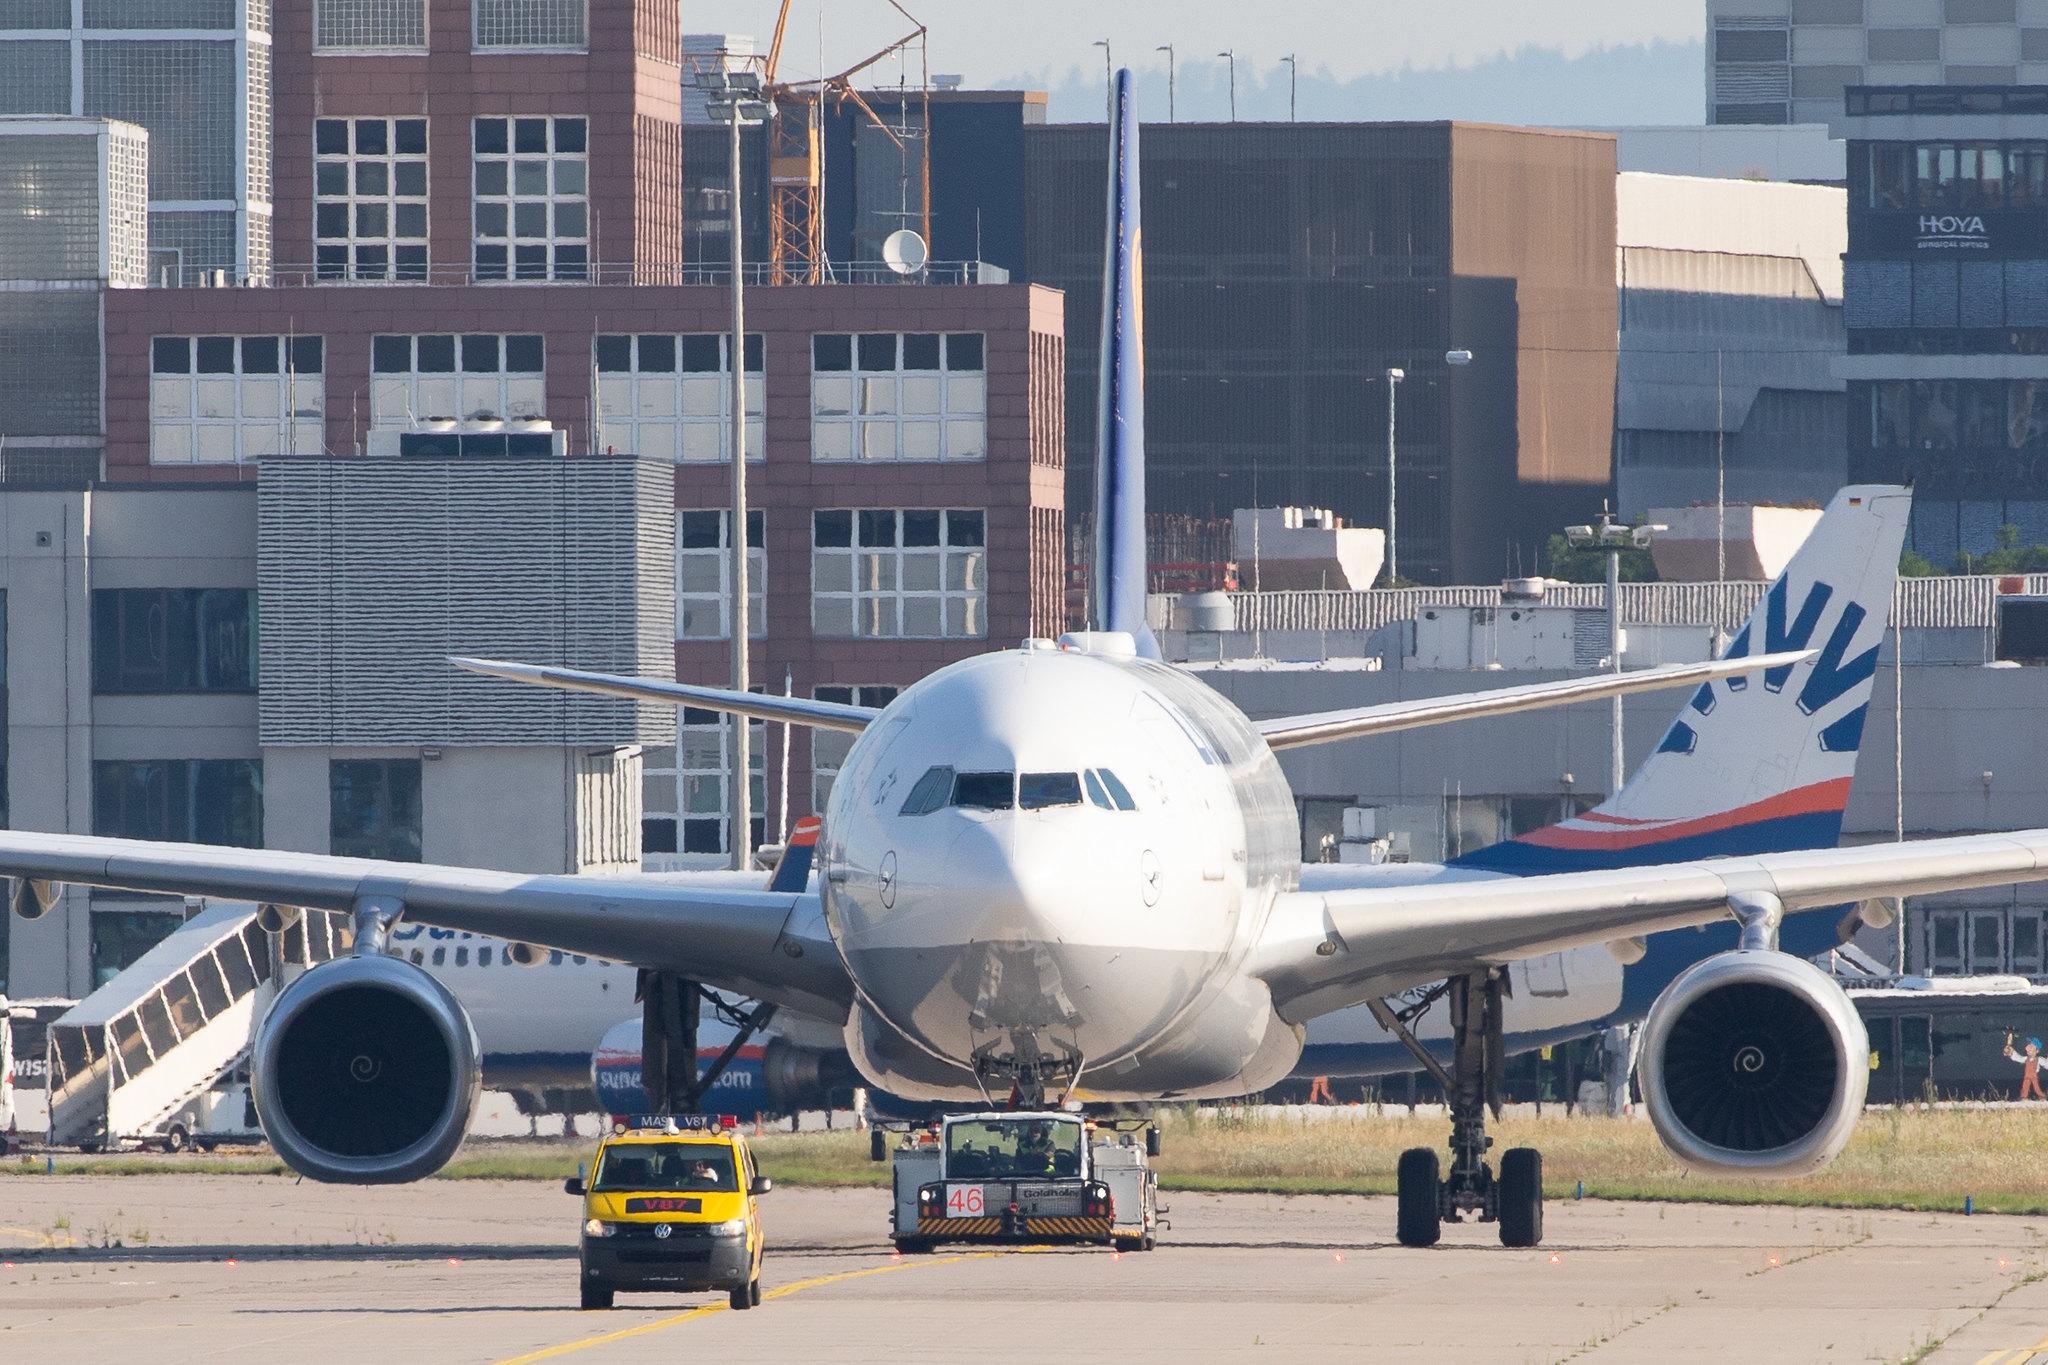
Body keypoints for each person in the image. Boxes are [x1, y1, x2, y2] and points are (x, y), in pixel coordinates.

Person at [2006, 1033, 2046, 1102]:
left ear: (2037, 1051)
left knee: (2036, 1087)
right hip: (2027, 1076)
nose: (2029, 1048)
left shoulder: (2039, 1059)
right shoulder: (2026, 1058)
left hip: (2033, 1076)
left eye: (2032, 1047)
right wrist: (2011, 1052)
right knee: (2025, 1086)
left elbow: (2045, 1063)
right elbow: (2018, 1058)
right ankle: (2024, 1097)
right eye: (2028, 1046)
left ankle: (2042, 1097)